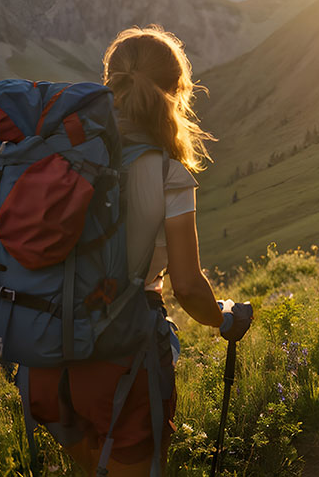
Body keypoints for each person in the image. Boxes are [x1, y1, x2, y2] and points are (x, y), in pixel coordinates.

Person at [29, 25, 251, 477]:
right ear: (176, 93)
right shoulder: (167, 172)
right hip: (119, 359)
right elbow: (187, 287)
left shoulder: (64, 149)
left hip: (44, 360)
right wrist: (224, 318)